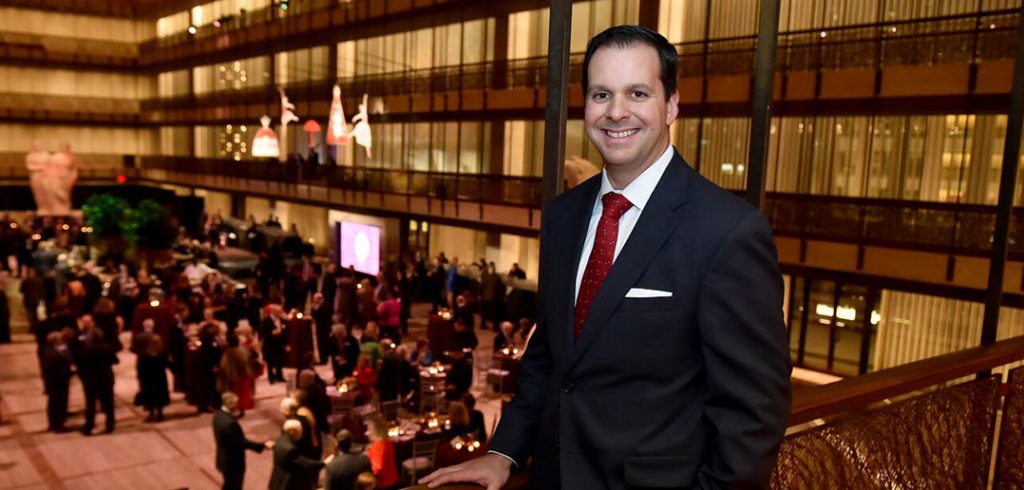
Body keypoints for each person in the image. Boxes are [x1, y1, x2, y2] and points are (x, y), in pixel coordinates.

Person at [421, 25, 791, 489]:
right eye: (601, 95)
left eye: (637, 92)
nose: (617, 112)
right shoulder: (563, 216)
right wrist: (505, 450)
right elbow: (548, 357)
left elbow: (754, 413)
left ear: (672, 103)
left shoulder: (728, 231)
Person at [213, 391, 273, 490]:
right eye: (236, 403)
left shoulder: (218, 415)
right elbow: (242, 442)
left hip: (223, 458)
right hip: (232, 463)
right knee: (234, 486)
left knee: (228, 485)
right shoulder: (230, 423)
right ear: (230, 404)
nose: (238, 405)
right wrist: (263, 445)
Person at [74, 318, 119, 435]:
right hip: (106, 378)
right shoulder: (107, 348)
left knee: (91, 404)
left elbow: (79, 365)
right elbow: (115, 361)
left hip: (90, 380)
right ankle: (110, 425)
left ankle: (89, 426)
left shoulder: (84, 351)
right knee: (109, 403)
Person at [269, 419, 325, 490]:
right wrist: (323, 463)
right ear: (292, 432)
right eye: (300, 430)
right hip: (287, 484)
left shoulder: (281, 439)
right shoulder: (290, 449)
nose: (302, 432)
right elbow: (305, 464)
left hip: (277, 480)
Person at [41, 331, 73, 432]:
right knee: (59, 403)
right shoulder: (54, 354)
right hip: (58, 382)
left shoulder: (48, 350)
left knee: (53, 403)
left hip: (53, 382)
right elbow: (59, 369)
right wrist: (71, 372)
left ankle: (53, 424)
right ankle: (58, 425)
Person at [136, 334, 171, 422]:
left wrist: (140, 379)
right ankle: (160, 413)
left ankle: (151, 413)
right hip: (160, 379)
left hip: (148, 380)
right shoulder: (162, 353)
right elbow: (168, 364)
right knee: (160, 396)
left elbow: (140, 368)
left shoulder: (144, 355)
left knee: (150, 396)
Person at [363, 414, 399, 489]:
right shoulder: (388, 442)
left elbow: (377, 469)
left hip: (383, 484)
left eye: (369, 429)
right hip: (393, 480)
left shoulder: (377, 446)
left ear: (376, 430)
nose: (366, 433)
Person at [261, 304, 287, 383]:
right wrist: (272, 333)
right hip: (270, 344)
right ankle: (271, 377)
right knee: (270, 361)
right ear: (273, 312)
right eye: (279, 312)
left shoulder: (282, 320)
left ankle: (279, 376)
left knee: (279, 360)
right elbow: (262, 333)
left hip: (279, 343)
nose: (280, 313)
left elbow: (285, 330)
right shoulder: (266, 320)